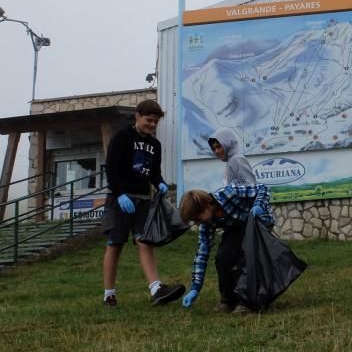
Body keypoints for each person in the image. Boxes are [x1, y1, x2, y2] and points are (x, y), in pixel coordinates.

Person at [101, 99, 185, 309]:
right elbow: (111, 167)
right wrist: (119, 194)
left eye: (156, 122)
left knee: (145, 242)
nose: (152, 125)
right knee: (115, 244)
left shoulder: (155, 145)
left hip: (143, 200)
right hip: (120, 199)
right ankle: (109, 295)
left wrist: (161, 184)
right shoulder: (121, 137)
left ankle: (156, 289)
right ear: (137, 116)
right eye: (149, 120)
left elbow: (154, 172)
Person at [178, 182, 273, 312]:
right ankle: (228, 301)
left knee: (244, 257)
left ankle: (246, 301)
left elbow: (263, 188)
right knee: (223, 256)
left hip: (257, 223)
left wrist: (258, 205)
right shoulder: (207, 223)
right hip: (236, 227)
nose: (197, 223)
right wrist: (195, 287)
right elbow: (202, 252)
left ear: (206, 205)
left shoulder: (230, 193)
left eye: (197, 218)